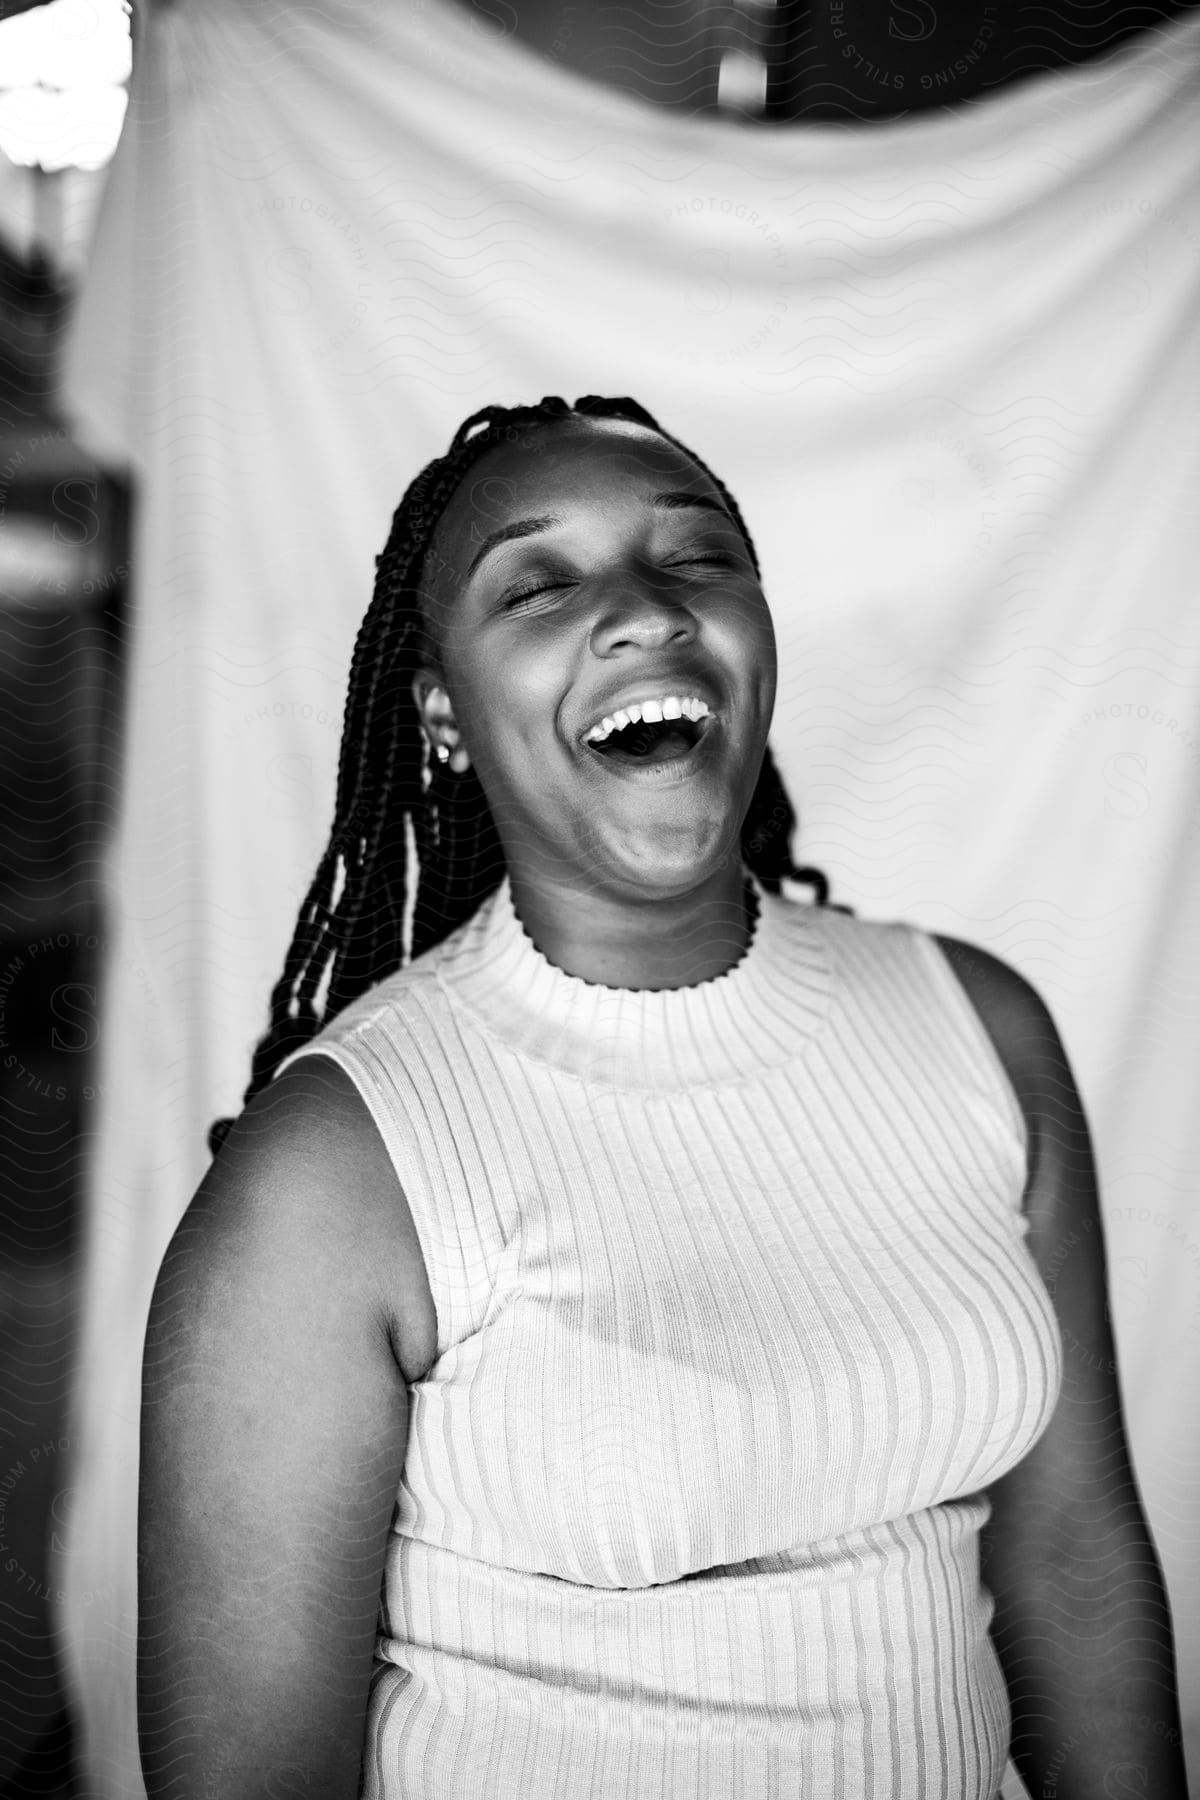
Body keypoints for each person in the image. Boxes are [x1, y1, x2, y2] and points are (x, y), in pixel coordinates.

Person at [137, 395, 1188, 1800]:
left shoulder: (978, 1028)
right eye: (542, 582)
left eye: (696, 561)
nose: (644, 611)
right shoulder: (339, 1165)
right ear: (443, 715)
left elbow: (1073, 1562)